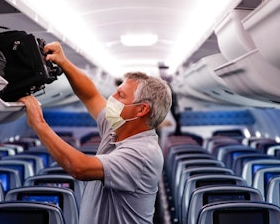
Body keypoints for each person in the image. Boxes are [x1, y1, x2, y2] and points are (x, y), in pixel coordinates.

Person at [19, 41, 172, 224]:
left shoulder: (144, 153)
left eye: (120, 95)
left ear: (141, 110)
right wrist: (63, 62)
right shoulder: (118, 129)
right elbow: (90, 95)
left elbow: (79, 167)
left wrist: (39, 124)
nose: (111, 98)